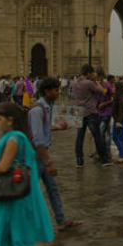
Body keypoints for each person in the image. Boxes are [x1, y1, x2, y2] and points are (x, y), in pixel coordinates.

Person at [0, 102, 54, 246]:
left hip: (12, 198)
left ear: (10, 120)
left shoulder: (14, 138)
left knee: (11, 237)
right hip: (10, 196)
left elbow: (3, 167)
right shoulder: (11, 137)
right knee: (11, 236)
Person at [28, 78, 82, 232]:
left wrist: (58, 127)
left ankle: (61, 220)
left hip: (41, 155)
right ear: (46, 91)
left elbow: (43, 129)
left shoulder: (46, 107)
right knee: (30, 191)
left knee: (52, 189)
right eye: (55, 90)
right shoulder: (37, 109)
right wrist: (48, 162)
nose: (58, 93)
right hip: (36, 157)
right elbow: (38, 139)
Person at [72, 65, 110, 167]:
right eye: (93, 73)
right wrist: (96, 81)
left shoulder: (74, 83)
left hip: (79, 112)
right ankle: (104, 160)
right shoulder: (89, 83)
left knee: (79, 137)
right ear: (88, 73)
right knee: (97, 136)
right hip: (90, 113)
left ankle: (79, 161)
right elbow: (103, 91)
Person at [111, 80, 123, 163]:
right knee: (121, 137)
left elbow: (121, 110)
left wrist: (118, 121)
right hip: (121, 119)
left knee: (115, 137)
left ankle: (122, 155)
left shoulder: (120, 97)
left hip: (119, 120)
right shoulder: (121, 96)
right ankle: (122, 154)